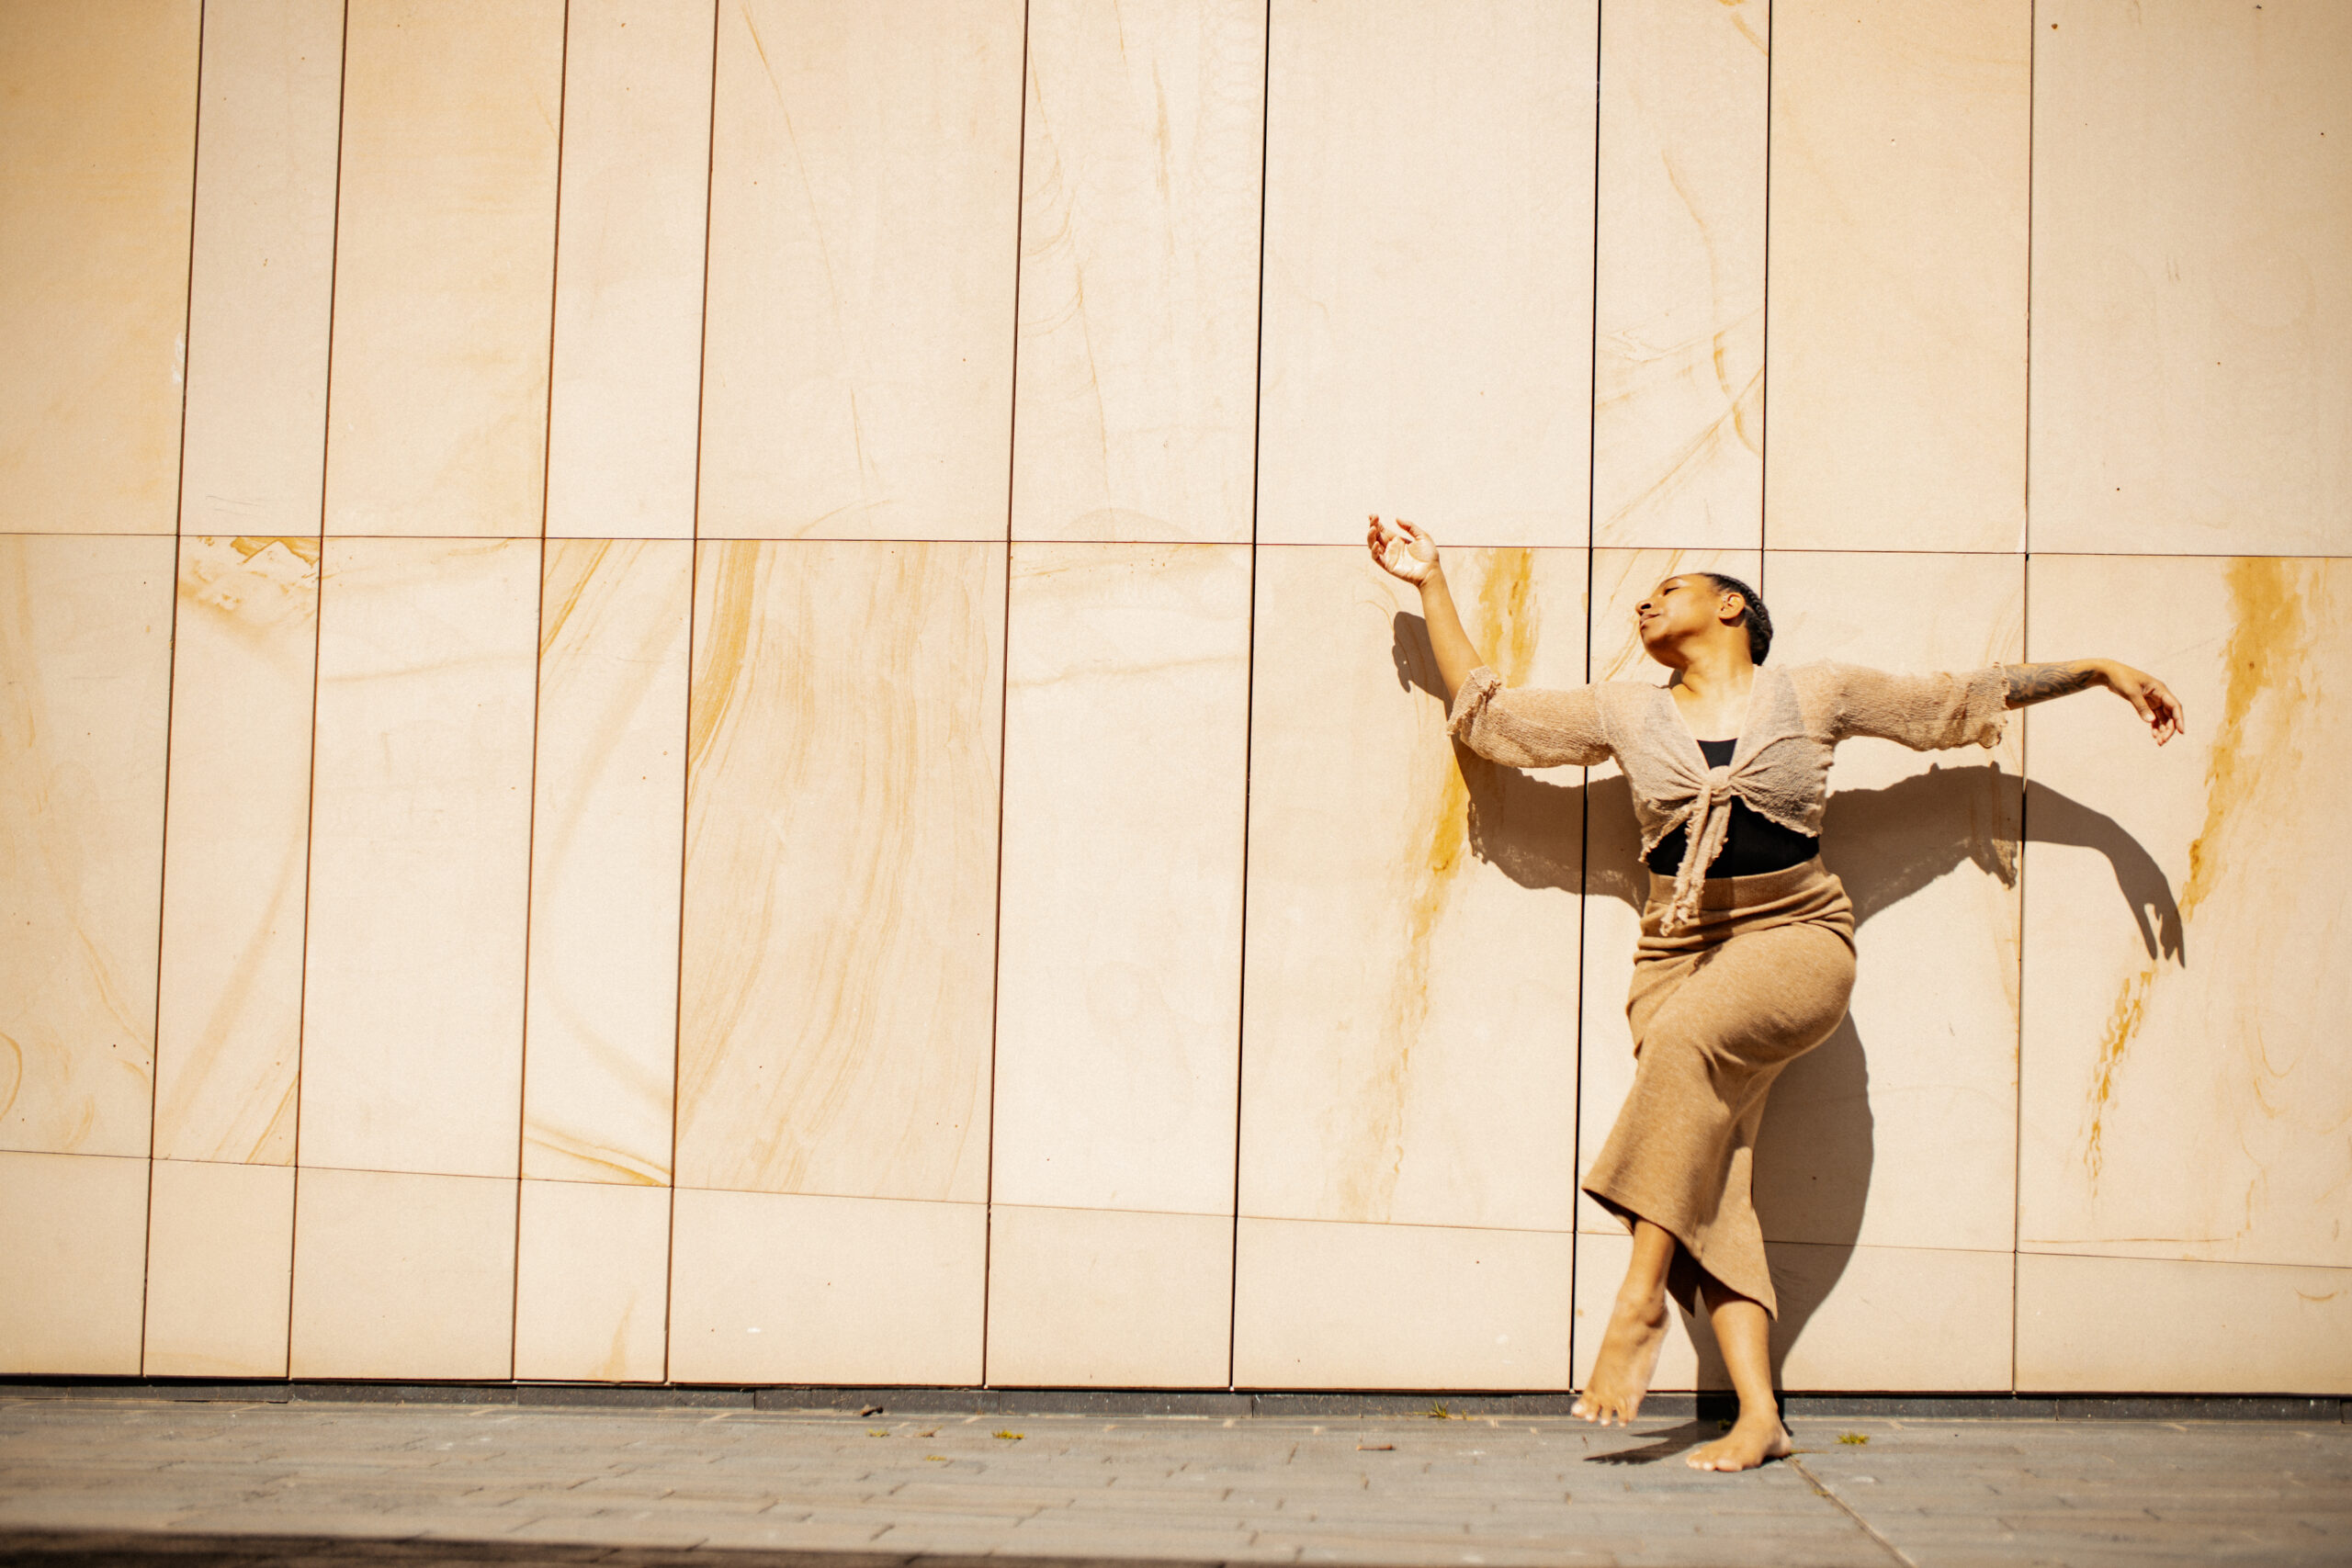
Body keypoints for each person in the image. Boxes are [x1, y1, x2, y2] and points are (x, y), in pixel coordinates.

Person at [1365, 515, 2185, 1472]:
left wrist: (2094, 669)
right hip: (1674, 950)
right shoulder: (1627, 713)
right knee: (1716, 1184)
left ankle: (1637, 1298)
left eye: (1667, 589)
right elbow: (1495, 722)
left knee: (1682, 1056)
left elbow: (1955, 699)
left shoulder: (1815, 692)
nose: (1645, 601)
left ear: (1732, 607)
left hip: (1795, 936)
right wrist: (1430, 584)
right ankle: (1759, 1415)